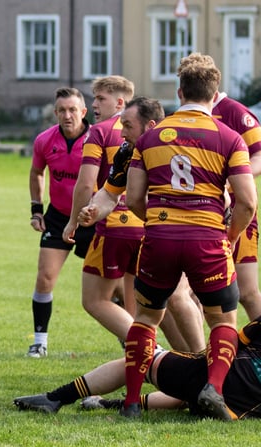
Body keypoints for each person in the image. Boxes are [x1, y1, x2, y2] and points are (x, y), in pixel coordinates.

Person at [121, 53, 257, 420]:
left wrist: (157, 222)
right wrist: (228, 237)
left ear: (179, 91)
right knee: (223, 322)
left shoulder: (149, 139)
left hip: (160, 239)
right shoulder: (230, 138)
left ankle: (132, 402)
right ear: (215, 95)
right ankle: (213, 387)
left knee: (146, 319)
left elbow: (133, 198)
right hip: (207, 242)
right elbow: (247, 201)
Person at [73, 96, 205, 352]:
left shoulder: (179, 146)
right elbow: (111, 192)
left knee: (180, 298)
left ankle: (207, 366)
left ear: (151, 126)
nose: (121, 133)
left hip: (189, 232)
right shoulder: (126, 150)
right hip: (156, 235)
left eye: (128, 126)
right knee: (158, 306)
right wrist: (94, 210)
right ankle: (187, 368)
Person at [14, 315, 261, 420]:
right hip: (237, 409)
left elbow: (233, 339)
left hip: (228, 375)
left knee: (139, 361)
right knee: (186, 396)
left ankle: (56, 398)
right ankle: (105, 403)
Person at [62, 76, 142, 345]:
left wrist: (73, 221)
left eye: (101, 98)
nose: (94, 104)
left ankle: (151, 351)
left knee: (94, 300)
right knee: (133, 305)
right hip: (145, 226)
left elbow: (85, 184)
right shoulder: (146, 129)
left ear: (120, 101)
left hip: (114, 227)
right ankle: (140, 358)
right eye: (94, 98)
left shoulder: (99, 132)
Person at [26, 87, 92, 357]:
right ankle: (40, 341)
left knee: (112, 286)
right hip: (58, 216)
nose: (67, 115)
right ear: (55, 113)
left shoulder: (97, 139)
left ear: (83, 112)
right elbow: (36, 172)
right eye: (62, 110)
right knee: (45, 278)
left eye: (72, 109)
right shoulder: (44, 140)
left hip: (92, 218)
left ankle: (129, 340)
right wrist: (36, 210)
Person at [212, 92, 261, 321]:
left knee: (248, 293)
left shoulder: (235, 112)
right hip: (201, 212)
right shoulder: (188, 115)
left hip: (237, 211)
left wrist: (233, 179)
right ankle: (204, 352)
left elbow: (260, 154)